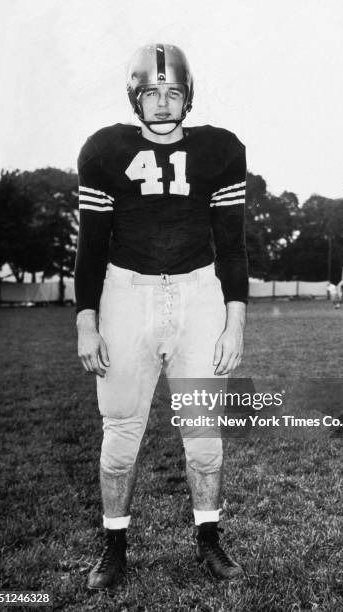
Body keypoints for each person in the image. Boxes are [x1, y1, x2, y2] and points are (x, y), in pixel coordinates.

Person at [74, 43, 248, 589]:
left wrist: (235, 318)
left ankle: (210, 541)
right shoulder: (104, 150)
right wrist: (86, 320)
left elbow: (232, 244)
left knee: (204, 432)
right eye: (152, 91)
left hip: (200, 294)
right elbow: (91, 246)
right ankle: (114, 547)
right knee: (121, 428)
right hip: (126, 293)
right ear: (136, 96)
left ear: (188, 96)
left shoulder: (221, 150)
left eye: (173, 91)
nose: (163, 102)